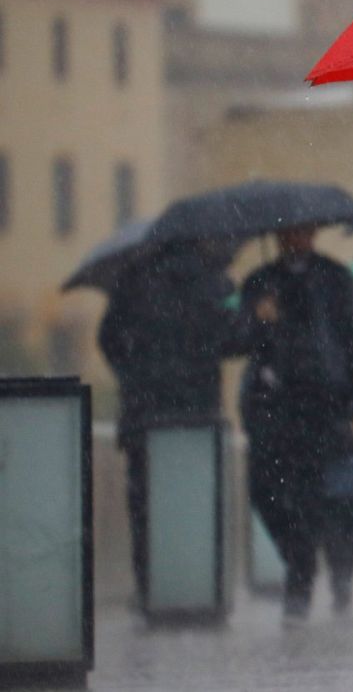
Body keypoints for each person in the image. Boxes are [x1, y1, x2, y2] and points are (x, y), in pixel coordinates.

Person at [240, 225, 353, 624]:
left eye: (303, 232)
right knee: (269, 493)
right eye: (288, 233)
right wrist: (258, 319)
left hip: (327, 407)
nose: (295, 240)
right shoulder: (260, 283)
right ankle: (302, 569)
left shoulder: (336, 280)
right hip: (275, 410)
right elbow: (235, 341)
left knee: (333, 500)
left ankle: (325, 579)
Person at [97, 240, 247, 611]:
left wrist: (132, 376)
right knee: (196, 504)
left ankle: (149, 587)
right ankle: (196, 587)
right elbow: (231, 341)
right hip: (197, 416)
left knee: (144, 505)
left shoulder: (130, 281)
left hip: (143, 415)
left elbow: (108, 339)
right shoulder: (212, 282)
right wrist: (257, 318)